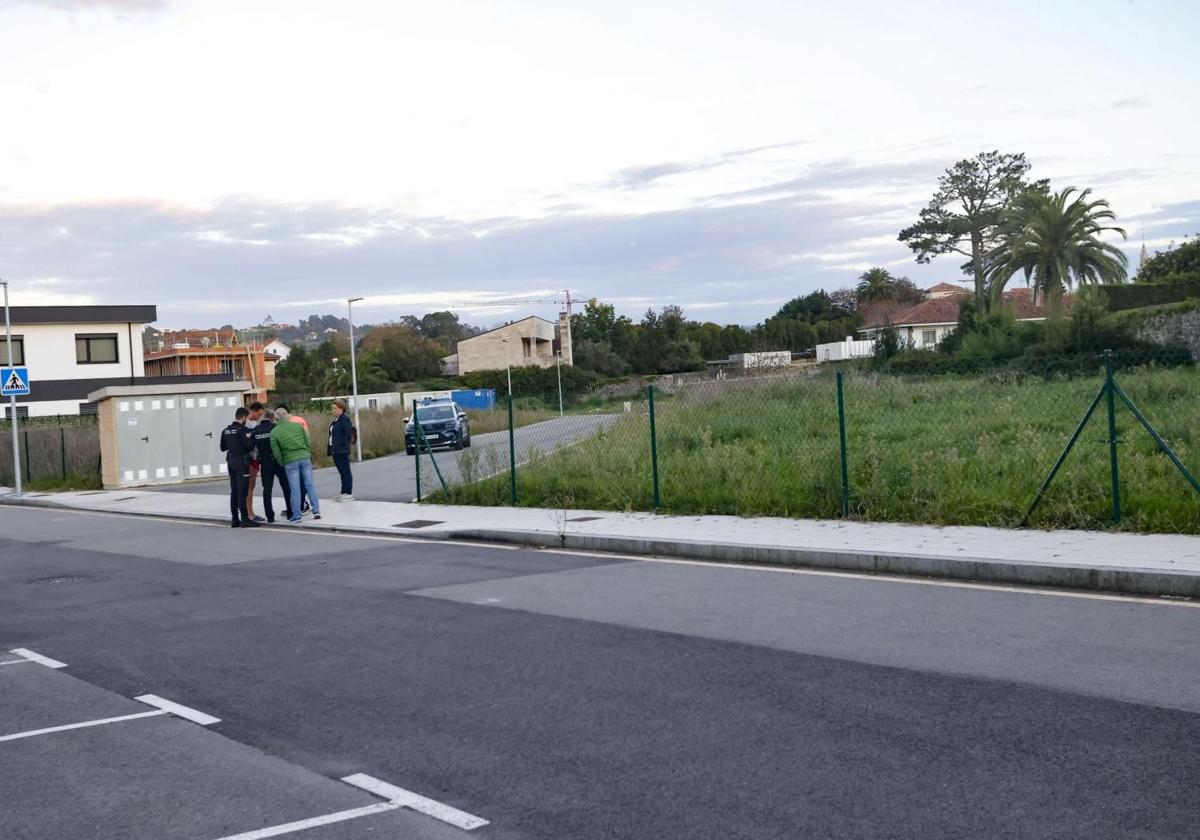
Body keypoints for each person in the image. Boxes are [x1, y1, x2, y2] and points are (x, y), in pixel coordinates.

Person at [270, 406, 321, 523]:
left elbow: (276, 452)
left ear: (276, 418)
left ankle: (296, 516)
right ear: (287, 416)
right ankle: (316, 511)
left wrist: (282, 462)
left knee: (295, 489)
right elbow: (307, 440)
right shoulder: (298, 426)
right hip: (304, 458)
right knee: (309, 485)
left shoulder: (274, 432)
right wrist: (306, 453)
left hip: (289, 461)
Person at [219, 406, 259, 528]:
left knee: (234, 491)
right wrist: (251, 436)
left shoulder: (226, 430)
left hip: (230, 461)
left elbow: (222, 447)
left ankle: (235, 519)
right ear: (243, 418)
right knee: (242, 492)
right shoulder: (242, 430)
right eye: (247, 418)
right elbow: (249, 446)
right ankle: (245, 519)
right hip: (241, 462)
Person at [252, 409, 292, 523]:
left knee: (267, 490)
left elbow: (253, 447)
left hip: (264, 463)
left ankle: (270, 516)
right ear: (273, 418)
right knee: (286, 488)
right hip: (277, 461)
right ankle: (290, 513)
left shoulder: (257, 430)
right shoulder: (275, 428)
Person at [276, 403, 310, 512]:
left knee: (294, 485)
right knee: (305, 482)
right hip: (304, 454)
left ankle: (298, 507)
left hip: (290, 457)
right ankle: (304, 504)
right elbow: (307, 437)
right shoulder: (300, 420)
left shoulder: (285, 422)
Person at [243, 402, 267, 523]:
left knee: (252, 486)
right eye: (259, 414)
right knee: (249, 487)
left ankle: (249, 511)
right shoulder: (245, 424)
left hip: (255, 458)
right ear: (252, 411)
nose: (259, 417)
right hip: (249, 459)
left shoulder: (254, 423)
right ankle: (250, 513)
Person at [328, 398, 355, 501]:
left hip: (342, 450)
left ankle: (348, 492)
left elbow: (348, 434)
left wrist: (341, 444)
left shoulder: (344, 419)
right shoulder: (336, 420)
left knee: (346, 471)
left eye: (335, 408)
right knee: (341, 472)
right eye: (332, 408)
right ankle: (343, 492)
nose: (333, 410)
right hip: (335, 450)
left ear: (341, 408)